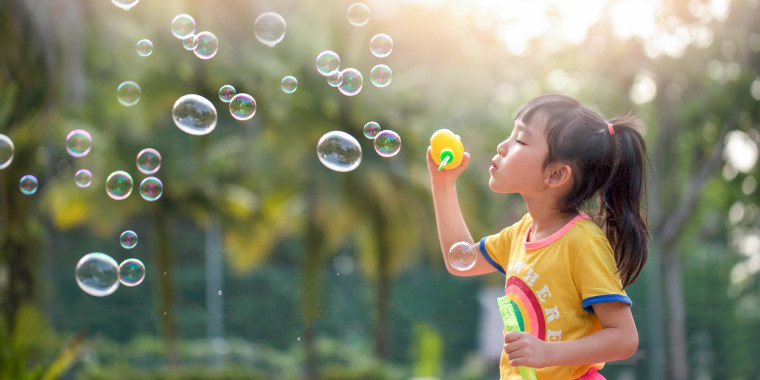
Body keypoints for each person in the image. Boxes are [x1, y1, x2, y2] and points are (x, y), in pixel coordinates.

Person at [427, 94, 649, 380]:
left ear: (556, 174)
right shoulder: (520, 233)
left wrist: (547, 353)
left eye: (520, 140)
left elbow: (624, 338)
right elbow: (460, 260)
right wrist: (442, 184)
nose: (502, 146)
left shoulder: (582, 241)